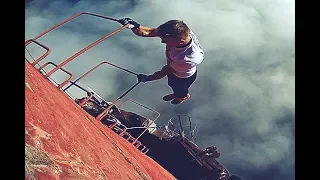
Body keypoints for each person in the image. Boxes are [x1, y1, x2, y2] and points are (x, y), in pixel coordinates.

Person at [118, 18, 204, 104]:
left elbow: (165, 71)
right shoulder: (181, 32)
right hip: (179, 70)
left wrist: (149, 78)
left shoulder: (186, 59)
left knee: (176, 87)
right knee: (173, 84)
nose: (162, 41)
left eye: (165, 41)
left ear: (181, 42)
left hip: (183, 78)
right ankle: (178, 94)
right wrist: (135, 26)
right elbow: (150, 32)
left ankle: (181, 97)